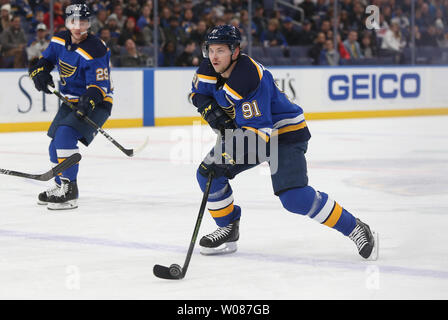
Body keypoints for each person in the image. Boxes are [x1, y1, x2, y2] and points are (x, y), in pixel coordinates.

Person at [189, 25, 378, 260]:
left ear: (235, 51)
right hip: (249, 131)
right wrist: (208, 109)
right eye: (211, 50)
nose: (214, 56)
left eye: (221, 51)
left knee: (294, 198)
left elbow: (258, 137)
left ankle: (356, 228)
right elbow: (197, 93)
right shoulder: (210, 66)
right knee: (207, 173)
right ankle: (228, 228)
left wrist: (227, 149)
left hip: (284, 134)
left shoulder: (248, 78)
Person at [28, 2, 113, 210]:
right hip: (69, 101)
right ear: (66, 22)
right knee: (54, 145)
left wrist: (88, 102)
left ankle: (70, 191)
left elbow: (100, 86)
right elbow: (46, 60)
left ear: (89, 24)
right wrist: (40, 71)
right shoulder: (59, 39)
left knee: (65, 134)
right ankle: (60, 186)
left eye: (82, 22)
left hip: (97, 102)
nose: (77, 26)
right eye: (73, 21)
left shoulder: (96, 48)